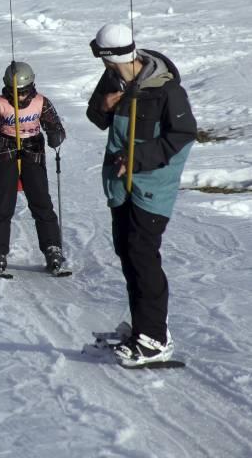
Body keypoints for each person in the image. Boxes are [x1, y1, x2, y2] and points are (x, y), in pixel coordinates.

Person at [85, 23, 196, 366]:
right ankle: (141, 328)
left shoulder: (166, 89)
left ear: (111, 56)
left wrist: (136, 159)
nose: (104, 68)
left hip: (152, 188)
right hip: (121, 187)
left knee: (143, 256)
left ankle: (156, 339)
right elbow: (95, 115)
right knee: (127, 252)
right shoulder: (113, 80)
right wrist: (104, 105)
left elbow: (184, 136)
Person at [0, 61, 66, 276]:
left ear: (31, 87)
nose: (20, 97)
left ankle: (52, 247)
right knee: (3, 205)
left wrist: (55, 136)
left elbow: (56, 126)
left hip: (33, 153)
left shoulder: (41, 102)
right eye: (14, 92)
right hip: (7, 152)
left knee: (41, 202)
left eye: (24, 92)